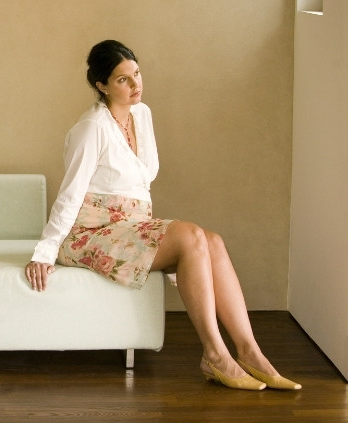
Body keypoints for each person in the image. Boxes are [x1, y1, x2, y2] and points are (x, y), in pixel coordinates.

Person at [25, 40, 300, 391]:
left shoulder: (142, 114)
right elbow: (71, 194)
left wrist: (151, 232)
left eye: (137, 74)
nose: (135, 84)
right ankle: (215, 355)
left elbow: (141, 182)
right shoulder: (91, 128)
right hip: (90, 231)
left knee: (211, 241)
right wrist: (44, 252)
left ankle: (250, 352)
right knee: (190, 237)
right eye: (123, 79)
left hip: (131, 224)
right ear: (102, 85)